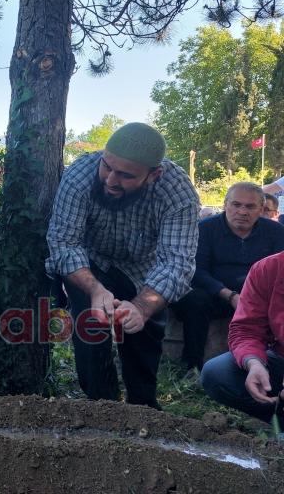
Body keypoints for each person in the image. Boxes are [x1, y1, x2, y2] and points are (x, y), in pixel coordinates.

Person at [46, 123, 199, 409]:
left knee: (143, 334)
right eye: (107, 167)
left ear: (154, 175)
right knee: (90, 328)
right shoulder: (79, 176)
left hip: (143, 269)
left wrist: (141, 307)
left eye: (126, 175)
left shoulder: (177, 193)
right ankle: (100, 406)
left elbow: (177, 262)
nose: (110, 181)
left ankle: (142, 409)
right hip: (89, 264)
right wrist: (94, 290)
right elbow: (64, 243)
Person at [173, 183, 284, 371]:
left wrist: (251, 299)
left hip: (260, 297)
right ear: (225, 205)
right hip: (217, 294)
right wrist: (230, 295)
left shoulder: (276, 232)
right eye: (236, 204)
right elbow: (196, 271)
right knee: (193, 300)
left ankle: (268, 364)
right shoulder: (204, 228)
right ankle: (191, 366)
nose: (242, 211)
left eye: (250, 207)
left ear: (261, 209)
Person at [201, 251, 284, 423]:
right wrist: (254, 363)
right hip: (280, 357)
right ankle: (278, 416)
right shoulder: (268, 268)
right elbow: (246, 328)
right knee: (217, 373)